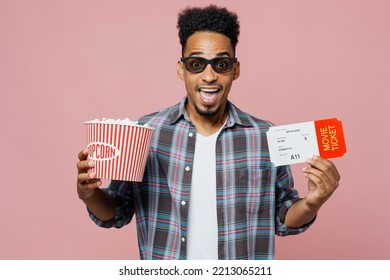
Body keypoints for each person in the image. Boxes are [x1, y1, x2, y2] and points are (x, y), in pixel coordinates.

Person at [76, 5, 340, 260]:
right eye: (196, 64)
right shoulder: (146, 133)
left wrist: (313, 202)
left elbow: (283, 218)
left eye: (221, 64)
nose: (209, 75)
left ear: (235, 70)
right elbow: (117, 211)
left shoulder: (265, 136)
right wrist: (90, 195)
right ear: (181, 69)